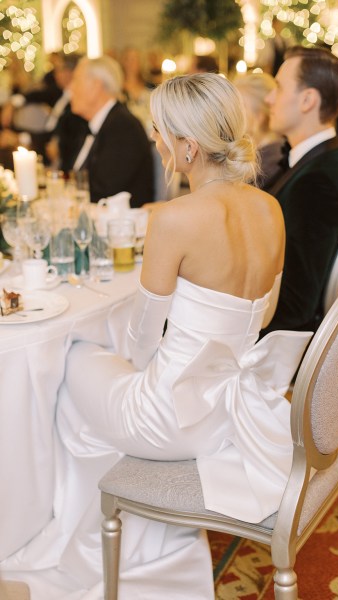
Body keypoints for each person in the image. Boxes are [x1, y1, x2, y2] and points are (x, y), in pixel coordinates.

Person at [0, 73, 311, 599]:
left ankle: (65, 538)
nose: (156, 140)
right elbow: (265, 314)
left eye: (160, 130)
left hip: (168, 417)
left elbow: (142, 340)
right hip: (228, 412)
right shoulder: (271, 209)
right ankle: (129, 527)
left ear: (189, 147)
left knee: (68, 357)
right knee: (87, 368)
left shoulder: (174, 218)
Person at [259, 46, 338, 336]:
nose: (269, 98)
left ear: (307, 100)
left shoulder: (317, 183)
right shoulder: (325, 161)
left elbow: (295, 305)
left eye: (278, 87)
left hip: (276, 341)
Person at [69, 55, 154, 206]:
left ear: (96, 86)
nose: (70, 88)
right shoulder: (91, 125)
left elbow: (104, 190)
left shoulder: (124, 127)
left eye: (76, 81)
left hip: (119, 224)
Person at [234, 72, 286, 189]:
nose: (232, 113)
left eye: (240, 106)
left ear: (259, 116)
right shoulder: (258, 153)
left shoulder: (272, 162)